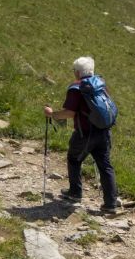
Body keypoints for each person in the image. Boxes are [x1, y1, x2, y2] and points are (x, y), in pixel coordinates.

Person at [43, 56, 119, 214]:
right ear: (91, 71)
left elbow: (69, 113)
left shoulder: (76, 88)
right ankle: (110, 204)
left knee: (73, 159)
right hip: (104, 132)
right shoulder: (101, 84)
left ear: (77, 72)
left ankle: (75, 193)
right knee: (105, 166)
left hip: (85, 133)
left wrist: (52, 114)